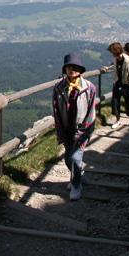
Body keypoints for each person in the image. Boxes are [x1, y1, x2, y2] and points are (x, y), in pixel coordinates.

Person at [52, 52, 98, 201]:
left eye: (75, 67)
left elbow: (91, 112)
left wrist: (84, 130)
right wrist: (60, 130)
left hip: (82, 129)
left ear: (81, 70)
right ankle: (77, 175)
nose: (72, 70)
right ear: (64, 69)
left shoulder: (89, 88)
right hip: (66, 129)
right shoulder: (58, 88)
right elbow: (56, 110)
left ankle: (76, 186)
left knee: (75, 157)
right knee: (67, 159)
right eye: (69, 67)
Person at [105, 42, 129, 129]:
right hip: (117, 83)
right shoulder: (116, 59)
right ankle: (117, 120)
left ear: (116, 52)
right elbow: (114, 65)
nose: (112, 54)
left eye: (112, 52)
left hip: (127, 84)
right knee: (115, 102)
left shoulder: (128, 61)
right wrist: (107, 68)